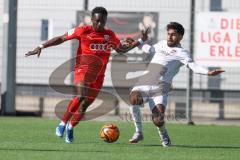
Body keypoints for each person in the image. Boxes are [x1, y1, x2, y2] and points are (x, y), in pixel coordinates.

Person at [25, 6, 148, 143]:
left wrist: (140, 41)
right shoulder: (83, 30)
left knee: (85, 105)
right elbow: (61, 38)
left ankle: (71, 127)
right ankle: (62, 124)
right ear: (92, 20)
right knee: (81, 95)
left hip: (99, 76)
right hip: (82, 70)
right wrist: (41, 47)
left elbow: (121, 49)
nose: (99, 24)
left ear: (106, 20)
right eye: (96, 21)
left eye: (102, 21)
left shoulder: (110, 35)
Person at [128, 22, 225, 147]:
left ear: (180, 37)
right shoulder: (161, 44)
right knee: (134, 98)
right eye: (168, 34)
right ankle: (138, 132)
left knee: (158, 120)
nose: (169, 37)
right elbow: (148, 49)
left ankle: (164, 135)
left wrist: (208, 72)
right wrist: (140, 42)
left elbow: (194, 67)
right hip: (145, 82)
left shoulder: (182, 53)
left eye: (173, 35)